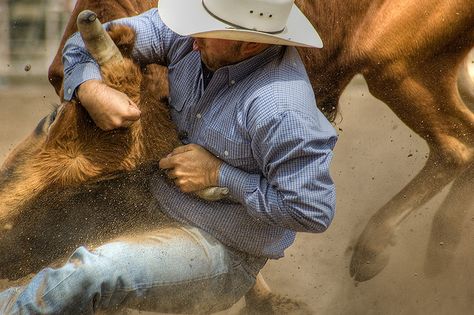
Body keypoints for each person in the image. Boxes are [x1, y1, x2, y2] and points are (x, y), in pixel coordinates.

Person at [0, 0, 337, 313]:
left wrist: (219, 175)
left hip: (220, 249)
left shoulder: (281, 108)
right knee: (24, 230)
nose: (193, 40)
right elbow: (85, 41)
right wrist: (92, 89)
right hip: (144, 200)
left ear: (248, 44)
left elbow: (310, 209)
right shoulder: (191, 34)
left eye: (207, 31)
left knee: (93, 272)